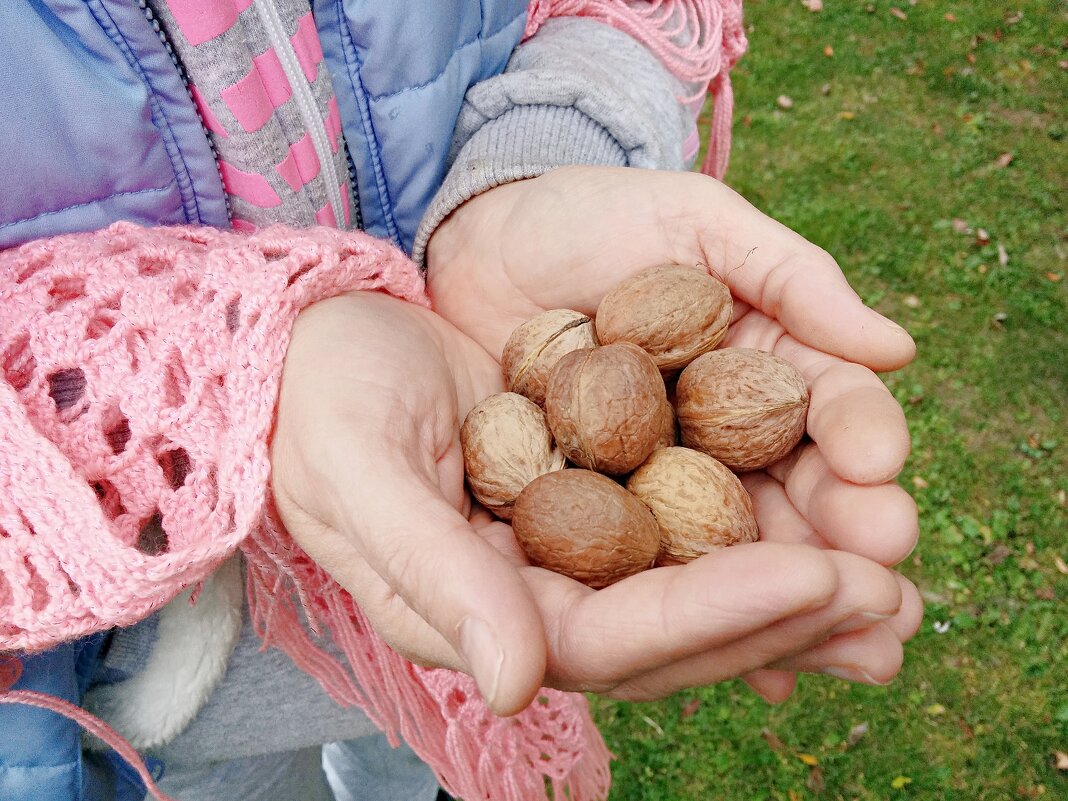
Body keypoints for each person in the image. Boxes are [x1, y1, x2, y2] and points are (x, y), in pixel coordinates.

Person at [0, 2, 923, 800]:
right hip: (158, 664)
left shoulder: (547, 434)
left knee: (411, 749)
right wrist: (247, 348)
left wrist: (544, 156)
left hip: (450, 555)